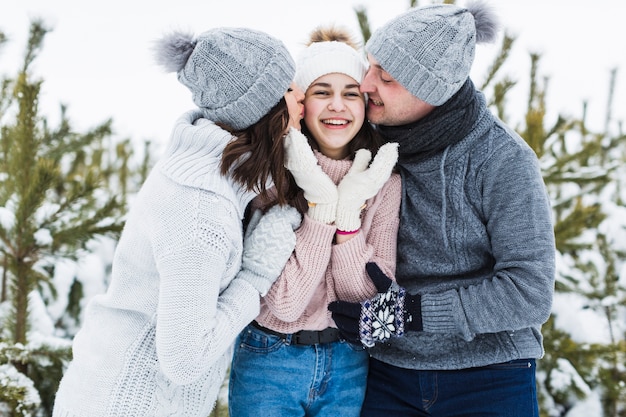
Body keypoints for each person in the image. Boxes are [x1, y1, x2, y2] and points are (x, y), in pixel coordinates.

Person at [52, 27, 305, 417]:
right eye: (289, 88)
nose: (301, 95)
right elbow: (185, 361)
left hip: (108, 391)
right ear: (261, 110)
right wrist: (256, 275)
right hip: (130, 405)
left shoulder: (200, 168)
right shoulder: (200, 210)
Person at [328, 3, 556, 417]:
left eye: (387, 77)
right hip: (387, 374)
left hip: (489, 376)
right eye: (370, 66)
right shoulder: (367, 145)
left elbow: (529, 291)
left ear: (433, 89)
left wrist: (407, 314)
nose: (366, 84)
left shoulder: (501, 159)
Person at [228, 27, 400, 417]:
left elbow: (368, 298)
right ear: (301, 103)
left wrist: (348, 219)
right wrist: (322, 208)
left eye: (350, 93)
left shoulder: (384, 183)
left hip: (348, 362)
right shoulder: (271, 176)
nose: (337, 105)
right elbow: (285, 303)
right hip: (270, 358)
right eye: (322, 92)